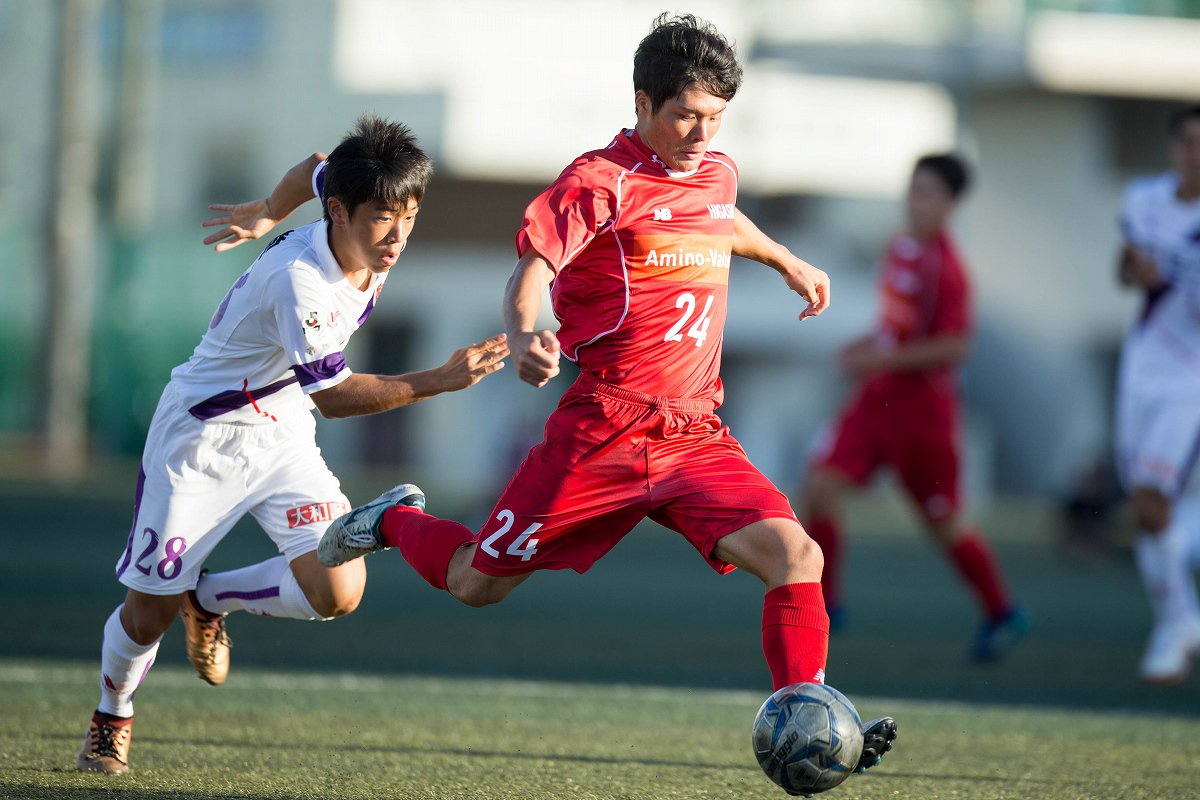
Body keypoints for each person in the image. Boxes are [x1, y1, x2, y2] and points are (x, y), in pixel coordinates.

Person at [317, 13, 895, 777]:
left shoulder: (716, 171)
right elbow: (533, 268)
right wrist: (525, 334)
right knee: (475, 584)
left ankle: (811, 719)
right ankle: (393, 520)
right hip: (604, 431)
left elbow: (722, 220)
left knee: (798, 555)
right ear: (642, 101)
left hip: (694, 435)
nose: (698, 133)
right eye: (683, 114)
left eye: (714, 118)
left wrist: (787, 259)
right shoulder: (598, 182)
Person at [75, 116, 510, 774]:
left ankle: (208, 599)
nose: (396, 237)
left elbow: (312, 163)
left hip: (280, 433)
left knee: (338, 589)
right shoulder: (301, 281)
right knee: (146, 615)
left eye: (410, 217)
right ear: (339, 211)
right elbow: (334, 397)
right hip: (201, 440)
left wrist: (265, 211)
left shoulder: (350, 212)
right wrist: (439, 380)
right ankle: (113, 716)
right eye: (382, 218)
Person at [800, 154, 1027, 662]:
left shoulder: (949, 270)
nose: (916, 202)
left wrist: (885, 356)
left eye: (928, 194)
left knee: (943, 524)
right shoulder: (901, 249)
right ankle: (825, 606)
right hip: (876, 401)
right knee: (821, 486)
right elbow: (894, 327)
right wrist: (865, 348)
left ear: (950, 205)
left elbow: (955, 346)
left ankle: (1001, 610)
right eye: (913, 190)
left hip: (922, 419)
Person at [1114, 105, 1200, 684]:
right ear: (1173, 148)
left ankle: (1176, 625)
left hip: (1190, 378)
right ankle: (1183, 619)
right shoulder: (1143, 199)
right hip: (1141, 366)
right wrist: (1136, 269)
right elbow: (1122, 272)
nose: (1195, 153)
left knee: (1152, 500)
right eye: (1188, 142)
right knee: (1146, 515)